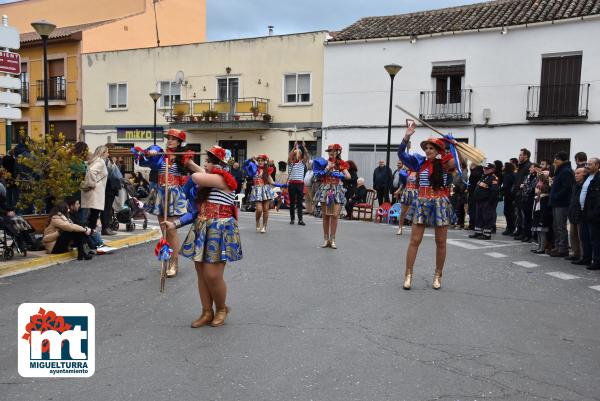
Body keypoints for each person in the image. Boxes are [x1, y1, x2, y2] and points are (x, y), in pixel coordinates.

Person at [164, 146, 242, 327]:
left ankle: (222, 308)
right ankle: (206, 311)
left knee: (212, 275)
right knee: (201, 274)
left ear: (218, 164)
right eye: (205, 160)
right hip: (203, 227)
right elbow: (195, 212)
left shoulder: (223, 179)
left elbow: (196, 176)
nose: (204, 164)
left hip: (219, 230)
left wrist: (189, 162)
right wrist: (174, 224)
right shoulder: (210, 182)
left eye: (208, 161)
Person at [398, 122, 457, 290]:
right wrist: (407, 136)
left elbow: (459, 162)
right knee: (415, 240)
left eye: (432, 148)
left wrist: (453, 146)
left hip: (440, 202)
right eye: (427, 148)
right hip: (422, 201)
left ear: (438, 150)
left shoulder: (446, 163)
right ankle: (408, 275)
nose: (428, 150)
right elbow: (401, 154)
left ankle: (438, 275)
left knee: (441, 242)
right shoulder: (419, 163)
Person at [135, 129, 201, 278]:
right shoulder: (160, 155)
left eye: (173, 138)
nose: (170, 140)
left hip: (174, 194)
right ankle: (166, 258)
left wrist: (213, 176)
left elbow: (199, 171)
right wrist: (149, 154)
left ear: (179, 142)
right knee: (164, 230)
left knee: (171, 230)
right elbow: (145, 161)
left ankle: (173, 263)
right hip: (160, 193)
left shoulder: (183, 157)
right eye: (169, 138)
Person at [313, 144, 351, 249]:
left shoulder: (341, 164)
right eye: (329, 151)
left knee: (334, 215)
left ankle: (333, 239)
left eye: (333, 151)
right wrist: (327, 168)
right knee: (326, 215)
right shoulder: (324, 162)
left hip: (336, 190)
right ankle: (326, 240)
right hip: (326, 190)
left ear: (338, 152)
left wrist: (341, 175)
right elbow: (317, 175)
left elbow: (348, 176)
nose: (331, 152)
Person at [548, 151, 574, 257]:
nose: (555, 161)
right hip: (556, 202)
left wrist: (556, 196)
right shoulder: (560, 170)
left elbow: (566, 187)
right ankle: (557, 246)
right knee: (556, 226)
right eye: (555, 158)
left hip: (562, 203)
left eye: (557, 159)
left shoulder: (566, 171)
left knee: (560, 226)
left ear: (563, 160)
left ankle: (563, 249)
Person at [576, 158, 600, 269]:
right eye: (587, 164)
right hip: (583, 211)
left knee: (594, 238)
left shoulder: (598, 178)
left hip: (593, 214)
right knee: (584, 236)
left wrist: (595, 212)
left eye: (590, 164)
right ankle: (586, 257)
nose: (587, 166)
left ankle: (597, 261)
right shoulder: (587, 177)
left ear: (597, 165)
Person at [81, 145, 109, 236]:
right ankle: (90, 235)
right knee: (94, 215)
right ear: (103, 153)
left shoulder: (93, 161)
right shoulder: (100, 162)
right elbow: (92, 171)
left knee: (90, 215)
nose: (108, 154)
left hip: (91, 192)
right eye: (107, 152)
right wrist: (92, 183)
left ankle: (88, 234)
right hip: (96, 192)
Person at [244, 154, 275, 233]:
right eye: (259, 161)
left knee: (266, 210)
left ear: (264, 162)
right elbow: (245, 164)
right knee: (259, 209)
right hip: (257, 190)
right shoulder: (253, 169)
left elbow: (271, 182)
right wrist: (250, 158)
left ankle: (264, 226)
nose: (260, 162)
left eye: (262, 161)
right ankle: (257, 222)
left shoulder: (267, 170)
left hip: (266, 190)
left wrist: (281, 185)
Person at [469, 163, 499, 240]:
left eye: (487, 168)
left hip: (486, 202)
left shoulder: (493, 178)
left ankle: (487, 234)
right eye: (484, 168)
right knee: (479, 217)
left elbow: (494, 192)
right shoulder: (484, 177)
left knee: (487, 218)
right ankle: (478, 232)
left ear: (492, 170)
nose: (485, 169)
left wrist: (489, 202)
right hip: (479, 201)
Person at [566, 167, 586, 261]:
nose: (576, 175)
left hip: (580, 213)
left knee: (581, 236)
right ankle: (575, 253)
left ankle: (583, 255)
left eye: (578, 173)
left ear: (584, 174)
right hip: (573, 212)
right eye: (575, 173)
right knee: (573, 235)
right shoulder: (575, 185)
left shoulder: (585, 185)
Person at [513, 148, 532, 238]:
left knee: (523, 215)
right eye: (519, 154)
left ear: (526, 156)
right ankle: (519, 230)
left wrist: (521, 188)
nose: (519, 156)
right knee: (519, 214)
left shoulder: (528, 166)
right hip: (518, 193)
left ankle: (524, 232)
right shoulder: (521, 166)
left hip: (523, 194)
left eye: (521, 155)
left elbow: (526, 180)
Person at [530, 171, 552, 254]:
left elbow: (544, 210)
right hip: (537, 215)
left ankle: (542, 248)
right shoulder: (538, 198)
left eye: (538, 188)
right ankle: (539, 246)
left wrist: (542, 219)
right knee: (538, 232)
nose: (536, 189)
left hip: (542, 217)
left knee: (542, 232)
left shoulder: (544, 198)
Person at [287, 142, 308, 226]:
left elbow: (307, 156)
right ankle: (292, 219)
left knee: (299, 203)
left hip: (300, 184)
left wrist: (304, 147)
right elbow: (289, 156)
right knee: (292, 202)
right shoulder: (290, 163)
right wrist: (294, 148)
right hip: (292, 184)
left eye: (299, 153)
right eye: (296, 153)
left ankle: (300, 220)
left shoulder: (302, 163)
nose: (297, 154)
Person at [395, 169, 416, 235]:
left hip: (415, 193)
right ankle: (400, 228)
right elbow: (402, 183)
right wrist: (398, 191)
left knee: (415, 212)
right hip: (406, 192)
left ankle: (414, 229)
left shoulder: (418, 171)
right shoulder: (405, 171)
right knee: (403, 211)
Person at [450, 162, 468, 230]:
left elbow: (463, 183)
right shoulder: (460, 172)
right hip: (457, 193)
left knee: (459, 209)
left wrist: (459, 190)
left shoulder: (463, 173)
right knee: (458, 209)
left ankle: (459, 223)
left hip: (460, 193)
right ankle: (459, 223)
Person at [501, 162, 516, 235]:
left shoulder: (507, 175)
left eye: (504, 165)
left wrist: (501, 190)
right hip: (510, 196)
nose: (503, 166)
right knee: (509, 212)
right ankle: (510, 228)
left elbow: (506, 186)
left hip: (509, 196)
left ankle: (510, 228)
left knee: (508, 212)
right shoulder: (512, 174)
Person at [467, 164, 483, 230]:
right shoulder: (480, 174)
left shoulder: (476, 173)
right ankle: (473, 224)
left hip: (473, 194)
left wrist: (472, 169)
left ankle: (472, 224)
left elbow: (474, 176)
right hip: (474, 193)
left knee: (473, 210)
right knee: (473, 210)